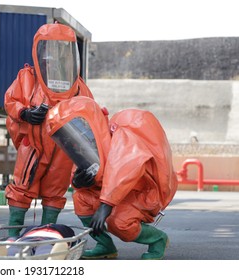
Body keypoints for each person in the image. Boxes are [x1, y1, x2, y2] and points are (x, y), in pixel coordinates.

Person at [46, 96, 178, 260]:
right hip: (116, 195)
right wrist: (78, 182)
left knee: (119, 223)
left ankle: (158, 239)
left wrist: (105, 206)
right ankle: (105, 245)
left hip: (143, 192)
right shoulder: (91, 146)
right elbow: (91, 169)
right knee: (81, 198)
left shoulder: (122, 137)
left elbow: (124, 169)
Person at [4, 23, 95, 237]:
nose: (55, 57)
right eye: (50, 50)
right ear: (40, 51)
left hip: (63, 149)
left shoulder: (79, 87)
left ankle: (46, 235)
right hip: (33, 145)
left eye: (62, 50)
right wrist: (25, 113)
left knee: (55, 190)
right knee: (22, 186)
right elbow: (11, 101)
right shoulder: (27, 78)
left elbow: (91, 115)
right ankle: (12, 235)